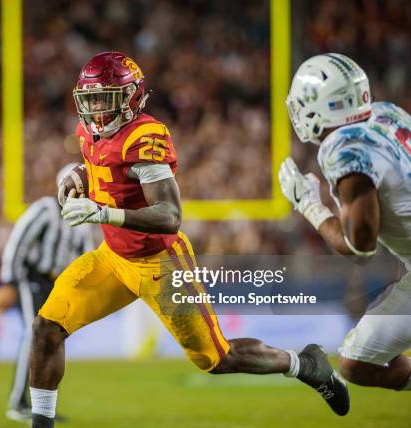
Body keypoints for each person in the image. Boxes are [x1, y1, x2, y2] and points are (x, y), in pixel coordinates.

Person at [28, 51, 350, 428]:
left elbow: (169, 216)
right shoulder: (90, 130)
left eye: (105, 98)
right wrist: (79, 176)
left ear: (131, 97)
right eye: (91, 99)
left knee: (218, 360)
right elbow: (101, 165)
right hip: (113, 258)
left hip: (161, 264)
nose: (96, 109)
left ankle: (308, 365)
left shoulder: (145, 137)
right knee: (47, 327)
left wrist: (104, 213)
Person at [279, 53, 411, 391]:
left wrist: (308, 203)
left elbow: (360, 249)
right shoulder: (387, 113)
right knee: (357, 359)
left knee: (356, 364)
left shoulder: (345, 148)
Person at [0, 164, 95, 423]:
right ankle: (19, 402)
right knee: (35, 334)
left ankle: (40, 406)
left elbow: (87, 258)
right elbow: (18, 242)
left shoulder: (83, 219)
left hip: (57, 284)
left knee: (51, 338)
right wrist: (8, 280)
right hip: (31, 277)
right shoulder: (46, 208)